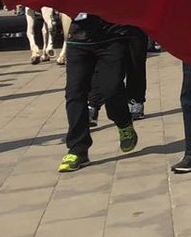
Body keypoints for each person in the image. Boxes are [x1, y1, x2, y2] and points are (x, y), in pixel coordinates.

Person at [57, 13, 139, 172]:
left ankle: (124, 123)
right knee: (74, 93)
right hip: (78, 38)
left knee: (111, 87)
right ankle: (78, 150)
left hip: (112, 36)